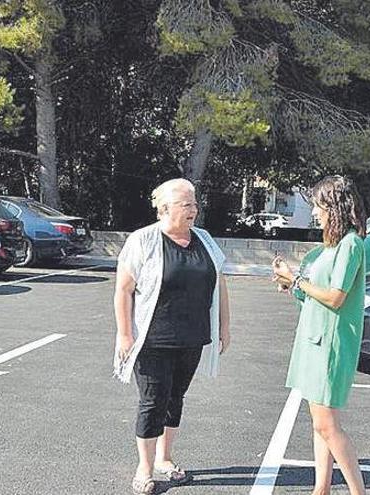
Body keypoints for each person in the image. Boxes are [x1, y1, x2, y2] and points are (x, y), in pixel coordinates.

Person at [113, 178, 231, 495]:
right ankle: (144, 468)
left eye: (194, 203)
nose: (194, 209)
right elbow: (123, 290)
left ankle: (165, 458)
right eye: (186, 204)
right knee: (153, 402)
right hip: (152, 340)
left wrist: (225, 327)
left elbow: (220, 284)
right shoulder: (144, 241)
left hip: (192, 337)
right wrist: (125, 335)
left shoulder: (204, 239)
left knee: (175, 399)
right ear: (165, 208)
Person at [271, 175, 368, 495]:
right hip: (314, 341)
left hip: (331, 344)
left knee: (328, 425)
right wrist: (291, 285)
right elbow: (315, 294)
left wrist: (296, 279)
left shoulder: (351, 244)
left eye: (317, 205)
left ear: (334, 207)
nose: (314, 211)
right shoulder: (331, 246)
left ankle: (358, 492)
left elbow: (336, 297)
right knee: (319, 425)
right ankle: (321, 489)